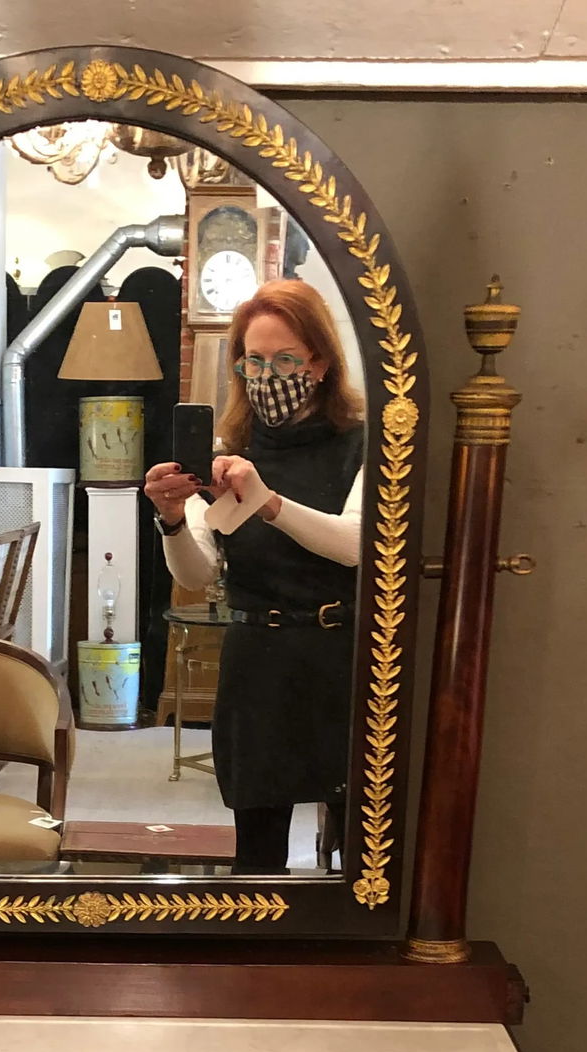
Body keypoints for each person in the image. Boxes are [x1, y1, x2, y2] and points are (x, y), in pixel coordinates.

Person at [143, 280, 364, 874]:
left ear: (320, 363)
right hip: (258, 661)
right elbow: (198, 571)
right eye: (254, 361)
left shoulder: (362, 445)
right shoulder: (227, 452)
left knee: (358, 845)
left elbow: (354, 546)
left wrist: (268, 502)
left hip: (341, 658)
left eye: (286, 360)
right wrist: (171, 519)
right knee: (258, 849)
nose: (268, 376)